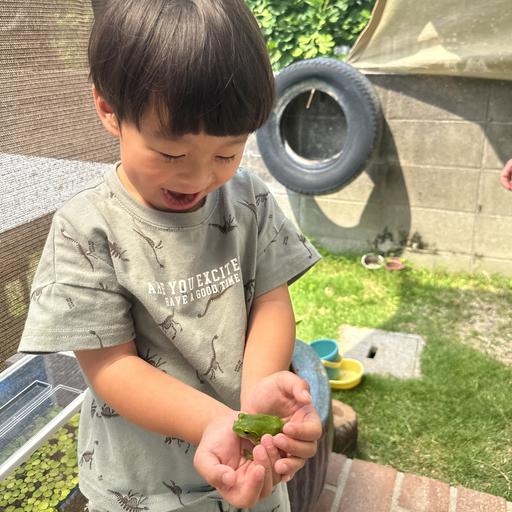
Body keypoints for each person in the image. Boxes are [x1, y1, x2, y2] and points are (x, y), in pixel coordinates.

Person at [18, 0, 322, 511]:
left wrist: (256, 403)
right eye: (172, 153)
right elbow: (111, 365)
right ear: (109, 110)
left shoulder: (250, 201)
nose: (198, 177)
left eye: (227, 153)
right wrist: (216, 423)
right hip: (140, 487)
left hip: (250, 466)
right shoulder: (86, 228)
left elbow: (270, 303)